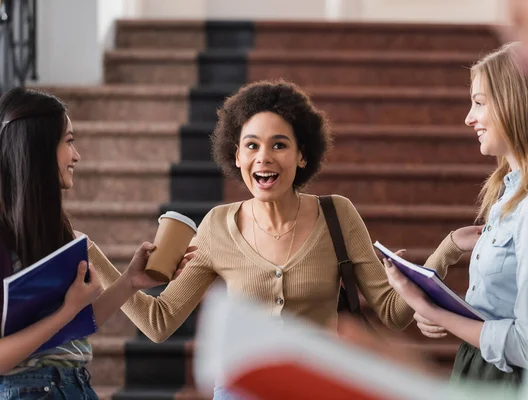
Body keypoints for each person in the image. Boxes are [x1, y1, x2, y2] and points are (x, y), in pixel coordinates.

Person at [86, 80, 456, 400]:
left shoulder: (337, 214)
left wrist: (446, 251)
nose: (264, 158)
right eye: (251, 145)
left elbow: (393, 313)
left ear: (301, 155)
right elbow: (159, 322)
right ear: (236, 154)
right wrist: (93, 253)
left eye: (279, 145)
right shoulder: (217, 225)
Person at [383, 42, 528, 386]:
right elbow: (501, 311)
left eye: (479, 103)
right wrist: (444, 310)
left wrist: (435, 313)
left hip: (508, 382)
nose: (468, 117)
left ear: (516, 107)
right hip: (481, 371)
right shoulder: (510, 195)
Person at [0, 87, 191, 399]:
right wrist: (65, 311)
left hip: (75, 386)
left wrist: (130, 281)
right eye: (69, 141)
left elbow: (70, 331)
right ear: (40, 147)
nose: (77, 155)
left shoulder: (58, 232)